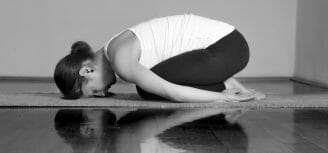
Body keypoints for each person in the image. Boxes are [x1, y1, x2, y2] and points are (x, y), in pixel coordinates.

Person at [54, 14, 265, 102]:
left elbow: (170, 91)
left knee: (147, 88)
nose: (101, 95)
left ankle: (224, 84)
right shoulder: (113, 47)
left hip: (226, 48)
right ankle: (223, 81)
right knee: (147, 83)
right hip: (229, 46)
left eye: (93, 91)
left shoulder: (120, 58)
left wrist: (224, 98)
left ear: (87, 71)